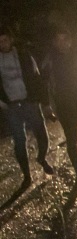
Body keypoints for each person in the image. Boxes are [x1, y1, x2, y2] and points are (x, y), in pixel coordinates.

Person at [42, 28, 77, 185]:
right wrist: (47, 104)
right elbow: (42, 81)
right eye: (58, 40)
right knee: (71, 141)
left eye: (65, 39)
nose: (62, 44)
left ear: (70, 41)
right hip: (64, 105)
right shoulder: (51, 59)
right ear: (54, 42)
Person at [0, 26, 54, 188]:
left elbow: (37, 79)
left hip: (29, 101)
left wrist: (44, 103)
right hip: (11, 105)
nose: (2, 44)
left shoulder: (23, 55)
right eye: (0, 42)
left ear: (11, 40)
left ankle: (41, 157)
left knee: (42, 134)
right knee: (19, 140)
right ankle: (26, 175)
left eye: (5, 40)